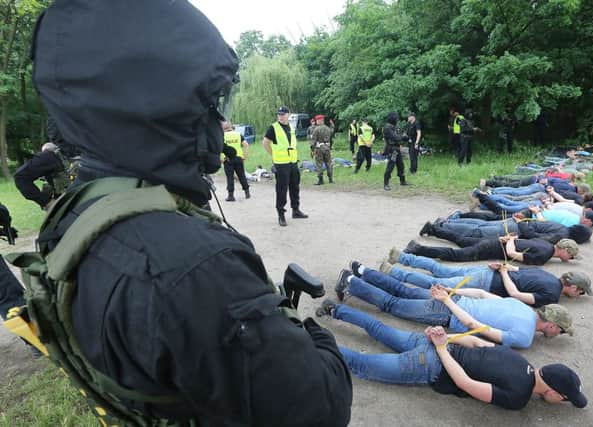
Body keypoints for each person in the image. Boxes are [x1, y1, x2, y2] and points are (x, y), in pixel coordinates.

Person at [17, 2, 352, 425]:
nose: (218, 119)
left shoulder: (73, 218)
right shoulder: (194, 267)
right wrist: (310, 333)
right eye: (209, 101)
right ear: (161, 107)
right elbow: (320, 410)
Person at [315, 303, 587, 411]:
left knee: (379, 329)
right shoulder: (518, 396)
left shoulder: (522, 362)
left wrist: (443, 337)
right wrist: (443, 348)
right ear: (553, 391)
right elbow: (466, 384)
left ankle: (335, 309)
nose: (559, 401)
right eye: (563, 398)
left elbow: (476, 342)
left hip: (436, 345)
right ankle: (309, 343)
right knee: (361, 364)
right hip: (432, 363)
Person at [332, 267, 574, 349]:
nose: (558, 334)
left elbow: (481, 294)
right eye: (561, 331)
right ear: (552, 324)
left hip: (453, 302)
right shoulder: (525, 338)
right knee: (393, 304)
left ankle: (362, 271)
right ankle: (351, 282)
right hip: (448, 310)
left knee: (403, 291)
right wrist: (447, 299)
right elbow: (474, 326)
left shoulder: (522, 307)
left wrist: (453, 292)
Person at [381, 252, 593, 307]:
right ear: (573, 287)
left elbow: (517, 268)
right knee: (437, 284)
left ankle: (402, 257)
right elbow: (515, 294)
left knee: (442, 271)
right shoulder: (552, 296)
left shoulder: (548, 275)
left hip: (486, 272)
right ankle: (392, 271)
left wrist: (502, 267)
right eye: (581, 291)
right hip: (488, 282)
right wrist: (503, 272)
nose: (579, 295)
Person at [404, 233, 579, 265]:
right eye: (570, 256)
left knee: (462, 241)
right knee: (454, 255)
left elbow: (522, 240)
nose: (569, 258)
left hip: (494, 242)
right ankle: (417, 248)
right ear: (565, 250)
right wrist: (510, 240)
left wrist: (510, 238)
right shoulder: (544, 255)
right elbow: (512, 253)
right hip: (492, 249)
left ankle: (435, 229)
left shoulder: (546, 244)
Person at [263, 106, 309, 226]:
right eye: (279, 114)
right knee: (281, 190)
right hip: (281, 163)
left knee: (295, 187)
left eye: (283, 114)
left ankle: (296, 210)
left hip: (293, 162)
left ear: (288, 115)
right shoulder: (273, 127)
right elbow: (265, 143)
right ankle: (281, 214)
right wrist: (274, 154)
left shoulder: (291, 127)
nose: (281, 116)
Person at [420, 215, 593, 244]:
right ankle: (439, 227)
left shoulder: (562, 227)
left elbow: (538, 226)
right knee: (477, 232)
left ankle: (444, 223)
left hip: (518, 222)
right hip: (517, 228)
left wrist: (520, 220)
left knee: (482, 226)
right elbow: (534, 236)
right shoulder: (561, 235)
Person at [13, 142, 70, 210]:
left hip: (61, 163)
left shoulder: (49, 155)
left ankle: (51, 204)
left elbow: (20, 177)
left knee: (20, 177)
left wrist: (46, 202)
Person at [222, 121, 250, 201]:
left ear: (223, 128)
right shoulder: (238, 134)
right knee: (241, 175)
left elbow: (219, 148)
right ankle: (247, 192)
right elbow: (246, 145)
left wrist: (221, 159)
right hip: (238, 158)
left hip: (227, 159)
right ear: (231, 126)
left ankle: (231, 196)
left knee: (230, 177)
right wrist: (244, 155)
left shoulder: (222, 136)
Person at [383, 112, 408, 190]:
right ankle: (386, 184)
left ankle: (402, 181)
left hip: (397, 149)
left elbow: (399, 137)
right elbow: (395, 137)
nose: (397, 120)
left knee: (401, 165)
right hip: (392, 149)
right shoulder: (387, 127)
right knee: (390, 166)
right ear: (392, 118)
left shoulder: (395, 127)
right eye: (396, 118)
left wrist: (405, 137)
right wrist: (403, 137)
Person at [311, 115, 334, 185]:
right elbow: (331, 138)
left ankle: (321, 180)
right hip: (327, 147)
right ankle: (330, 179)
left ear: (319, 120)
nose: (316, 122)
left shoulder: (316, 129)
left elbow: (313, 141)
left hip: (319, 148)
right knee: (329, 163)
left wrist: (312, 150)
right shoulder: (328, 129)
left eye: (317, 120)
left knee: (319, 164)